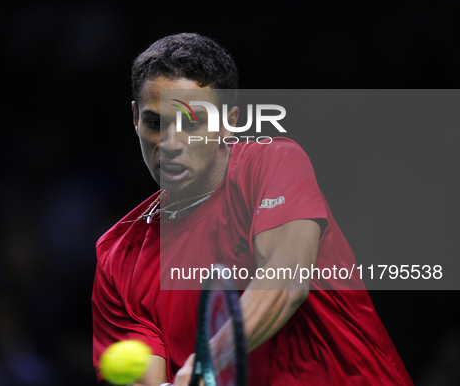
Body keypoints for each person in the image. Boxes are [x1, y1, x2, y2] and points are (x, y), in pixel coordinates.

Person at [92, 33, 413, 385]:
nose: (170, 144)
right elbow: (147, 378)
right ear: (135, 118)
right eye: (156, 123)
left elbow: (285, 281)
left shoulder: (272, 163)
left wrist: (206, 364)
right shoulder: (119, 257)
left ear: (229, 122)